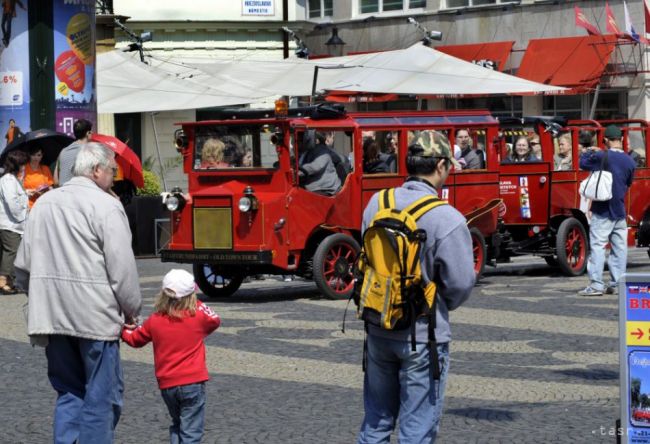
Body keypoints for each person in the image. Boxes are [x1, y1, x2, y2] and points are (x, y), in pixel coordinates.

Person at [14, 143, 142, 443]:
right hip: (94, 317)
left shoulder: (44, 203)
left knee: (69, 392)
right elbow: (122, 268)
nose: (114, 177)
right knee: (100, 396)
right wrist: (132, 310)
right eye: (112, 170)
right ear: (97, 170)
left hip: (52, 315)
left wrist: (38, 295)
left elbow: (22, 265)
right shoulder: (107, 205)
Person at [357, 130, 475, 443]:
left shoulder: (376, 203)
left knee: (376, 424)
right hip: (424, 334)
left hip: (378, 325)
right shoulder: (446, 217)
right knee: (417, 430)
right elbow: (461, 284)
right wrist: (436, 302)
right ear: (440, 166)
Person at [122, 269, 221, 444]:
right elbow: (215, 320)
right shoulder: (197, 315)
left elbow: (135, 340)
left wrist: (124, 330)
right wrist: (197, 302)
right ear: (191, 296)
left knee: (177, 424)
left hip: (167, 384)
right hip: (192, 382)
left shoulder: (155, 320)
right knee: (191, 431)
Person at [578, 125, 636, 296]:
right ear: (621, 139)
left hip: (602, 209)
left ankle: (596, 285)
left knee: (597, 246)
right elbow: (628, 183)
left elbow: (582, 163)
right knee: (619, 248)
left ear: (605, 141)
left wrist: (590, 151)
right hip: (620, 210)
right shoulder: (630, 161)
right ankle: (617, 283)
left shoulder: (602, 155)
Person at [0, 149, 27, 294]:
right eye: (22, 164)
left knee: (12, 251)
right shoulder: (9, 180)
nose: (24, 167)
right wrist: (22, 215)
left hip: (11, 223)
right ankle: (3, 281)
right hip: (10, 223)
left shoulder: (12, 178)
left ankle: (9, 281)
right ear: (16, 164)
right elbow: (12, 203)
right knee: (11, 252)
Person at [298, 130, 341, 195]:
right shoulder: (305, 152)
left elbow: (316, 166)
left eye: (300, 140)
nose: (299, 143)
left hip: (326, 189)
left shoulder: (322, 151)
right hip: (314, 186)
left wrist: (297, 172)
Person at [54, 118, 92, 186]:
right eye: (91, 131)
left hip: (63, 193)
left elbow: (56, 181)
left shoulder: (63, 151)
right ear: (87, 133)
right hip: (80, 192)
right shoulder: (89, 151)